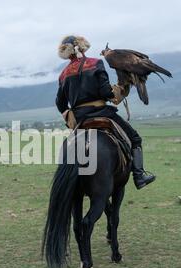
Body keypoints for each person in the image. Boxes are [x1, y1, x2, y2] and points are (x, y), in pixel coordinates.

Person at [56, 35, 156, 189]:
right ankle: (139, 175)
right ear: (82, 47)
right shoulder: (95, 63)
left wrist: (69, 116)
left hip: (80, 118)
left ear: (66, 52)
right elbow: (105, 92)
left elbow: (60, 102)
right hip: (101, 113)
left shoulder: (63, 74)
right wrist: (118, 90)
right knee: (135, 138)